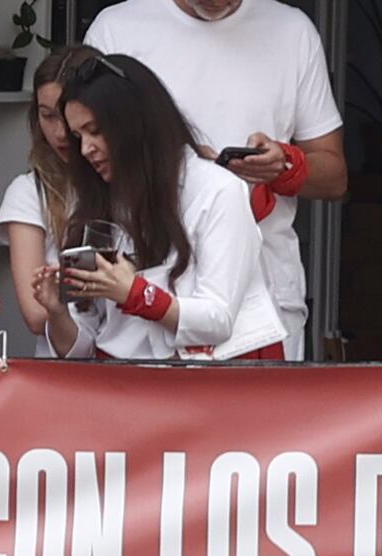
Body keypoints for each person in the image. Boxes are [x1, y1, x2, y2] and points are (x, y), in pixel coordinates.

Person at [83, 0, 347, 357]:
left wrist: (284, 167)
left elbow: (335, 175)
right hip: (149, 287)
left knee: (266, 432)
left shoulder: (291, 31)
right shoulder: (117, 29)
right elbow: (85, 160)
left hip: (264, 293)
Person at [46, 53, 288, 363]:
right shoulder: (97, 199)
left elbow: (218, 318)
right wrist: (56, 311)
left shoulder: (218, 190)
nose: (85, 149)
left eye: (95, 130)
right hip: (123, 386)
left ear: (135, 124)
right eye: (78, 136)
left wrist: (136, 295)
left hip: (217, 384)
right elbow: (86, 344)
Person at [0, 46, 106, 355]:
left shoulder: (122, 184)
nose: (60, 132)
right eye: (47, 116)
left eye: (67, 117)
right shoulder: (30, 190)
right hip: (62, 366)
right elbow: (34, 315)